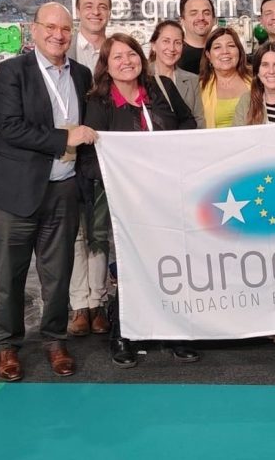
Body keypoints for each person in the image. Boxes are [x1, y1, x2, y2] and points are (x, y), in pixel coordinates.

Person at [0, 3, 98, 382]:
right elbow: (10, 127)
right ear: (33, 30)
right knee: (10, 277)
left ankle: (54, 340)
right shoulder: (11, 71)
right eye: (50, 27)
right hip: (16, 193)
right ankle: (8, 346)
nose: (58, 35)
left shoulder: (81, 74)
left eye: (65, 28)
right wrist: (65, 138)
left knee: (58, 275)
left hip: (63, 190)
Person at [80, 33, 199, 368]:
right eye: (117, 57)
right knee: (132, 267)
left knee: (173, 264)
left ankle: (175, 332)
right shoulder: (99, 103)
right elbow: (89, 159)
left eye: (131, 54)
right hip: (127, 202)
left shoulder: (162, 87)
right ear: (106, 66)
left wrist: (172, 154)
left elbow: (188, 122)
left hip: (169, 195)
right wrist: (123, 177)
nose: (126, 61)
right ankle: (123, 334)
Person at [67, 0, 112, 338]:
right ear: (78, 11)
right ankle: (78, 304)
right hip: (67, 152)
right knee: (74, 233)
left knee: (100, 231)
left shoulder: (117, 51)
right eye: (89, 6)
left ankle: (98, 301)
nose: (96, 12)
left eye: (102, 6)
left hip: (104, 153)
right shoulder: (61, 48)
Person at [148, 20, 206, 128]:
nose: (172, 48)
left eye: (177, 43)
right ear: (153, 45)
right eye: (166, 41)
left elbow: (199, 120)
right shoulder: (141, 76)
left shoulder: (193, 80)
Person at [199, 27, 252, 128]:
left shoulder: (257, 82)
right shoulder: (199, 88)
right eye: (217, 47)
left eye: (231, 46)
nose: (225, 51)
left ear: (239, 51)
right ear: (208, 55)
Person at [178, 0, 216, 75]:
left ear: (214, 20)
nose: (201, 18)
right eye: (193, 13)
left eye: (206, 13)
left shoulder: (223, 53)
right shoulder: (174, 54)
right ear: (182, 20)